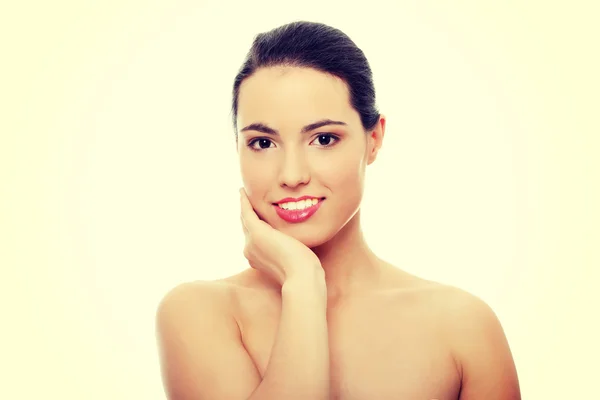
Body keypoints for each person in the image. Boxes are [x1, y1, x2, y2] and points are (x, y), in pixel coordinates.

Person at [155, 20, 521, 400]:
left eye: (324, 139)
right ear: (237, 148)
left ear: (374, 139)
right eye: (263, 143)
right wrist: (303, 282)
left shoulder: (463, 328)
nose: (292, 175)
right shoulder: (198, 314)